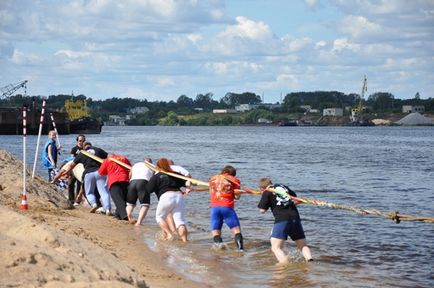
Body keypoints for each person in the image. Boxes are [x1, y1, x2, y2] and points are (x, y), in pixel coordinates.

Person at [256, 177, 313, 263]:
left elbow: (262, 210)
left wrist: (265, 198)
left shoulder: (266, 192)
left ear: (261, 188)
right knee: (302, 245)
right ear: (271, 182)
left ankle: (284, 265)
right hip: (295, 218)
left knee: (275, 247)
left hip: (282, 219)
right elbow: (294, 198)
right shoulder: (282, 187)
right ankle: (310, 261)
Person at [53, 141, 110, 215]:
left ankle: (94, 204)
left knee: (89, 192)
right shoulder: (98, 150)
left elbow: (71, 165)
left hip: (88, 173)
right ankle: (108, 209)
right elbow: (109, 157)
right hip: (100, 172)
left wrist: (66, 173)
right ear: (91, 146)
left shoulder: (82, 153)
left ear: (83, 147)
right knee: (104, 192)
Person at [146, 158, 191, 242]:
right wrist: (188, 188)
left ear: (158, 167)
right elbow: (188, 181)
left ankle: (169, 234)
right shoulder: (175, 174)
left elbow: (148, 190)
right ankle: (185, 240)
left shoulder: (157, 176)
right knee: (180, 221)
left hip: (166, 196)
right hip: (179, 196)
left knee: (159, 217)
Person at [208, 165, 244, 250]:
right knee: (236, 230)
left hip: (215, 207)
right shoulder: (235, 180)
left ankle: (220, 248)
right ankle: (240, 250)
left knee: (215, 231)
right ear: (233, 174)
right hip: (227, 206)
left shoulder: (213, 178)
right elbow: (237, 197)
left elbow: (211, 193)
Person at [98, 153, 132, 221]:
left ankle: (125, 216)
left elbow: (100, 172)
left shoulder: (107, 160)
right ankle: (118, 214)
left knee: (118, 199)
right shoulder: (124, 158)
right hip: (124, 179)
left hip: (114, 181)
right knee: (123, 198)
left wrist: (109, 171)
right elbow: (130, 168)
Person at [126, 157, 154, 225]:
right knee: (145, 205)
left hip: (132, 182)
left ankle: (129, 215)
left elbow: (130, 175)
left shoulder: (136, 165)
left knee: (130, 204)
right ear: (150, 162)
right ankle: (138, 222)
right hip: (143, 182)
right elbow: (154, 178)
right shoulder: (152, 166)